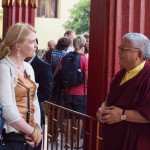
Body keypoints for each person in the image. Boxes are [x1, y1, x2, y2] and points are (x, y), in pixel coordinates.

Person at [96, 33, 150, 150]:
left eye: (123, 49)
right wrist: (103, 108)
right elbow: (109, 99)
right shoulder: (120, 74)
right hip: (114, 137)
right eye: (119, 48)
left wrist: (122, 115)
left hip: (136, 139)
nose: (119, 51)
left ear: (139, 54)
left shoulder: (148, 77)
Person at [0, 23, 42, 150]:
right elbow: (8, 109)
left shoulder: (28, 67)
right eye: (32, 42)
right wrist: (32, 132)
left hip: (29, 135)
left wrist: (37, 129)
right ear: (18, 45)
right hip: (12, 136)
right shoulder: (3, 68)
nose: (36, 45)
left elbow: (35, 101)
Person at [55, 35, 88, 149]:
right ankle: (78, 142)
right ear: (83, 45)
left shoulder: (65, 57)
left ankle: (68, 141)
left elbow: (57, 71)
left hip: (68, 92)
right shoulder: (84, 58)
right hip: (81, 93)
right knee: (79, 118)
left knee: (68, 118)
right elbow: (87, 77)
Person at [26, 39, 53, 150]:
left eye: (35, 43)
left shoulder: (44, 66)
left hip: (34, 114)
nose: (36, 45)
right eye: (32, 42)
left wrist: (28, 100)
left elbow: (46, 92)